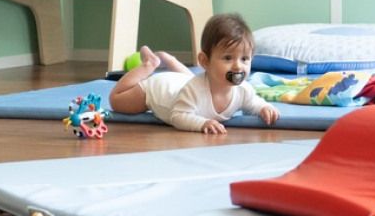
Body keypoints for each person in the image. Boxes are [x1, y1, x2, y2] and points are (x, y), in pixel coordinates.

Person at [109, 13, 279, 134]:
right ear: (204, 61)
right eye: (228, 58)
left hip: (183, 82)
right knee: (116, 101)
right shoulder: (194, 90)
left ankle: (172, 61)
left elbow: (252, 103)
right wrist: (202, 123)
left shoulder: (243, 89)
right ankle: (149, 64)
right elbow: (178, 115)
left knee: (194, 80)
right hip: (157, 90)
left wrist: (264, 108)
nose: (237, 66)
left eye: (244, 59)